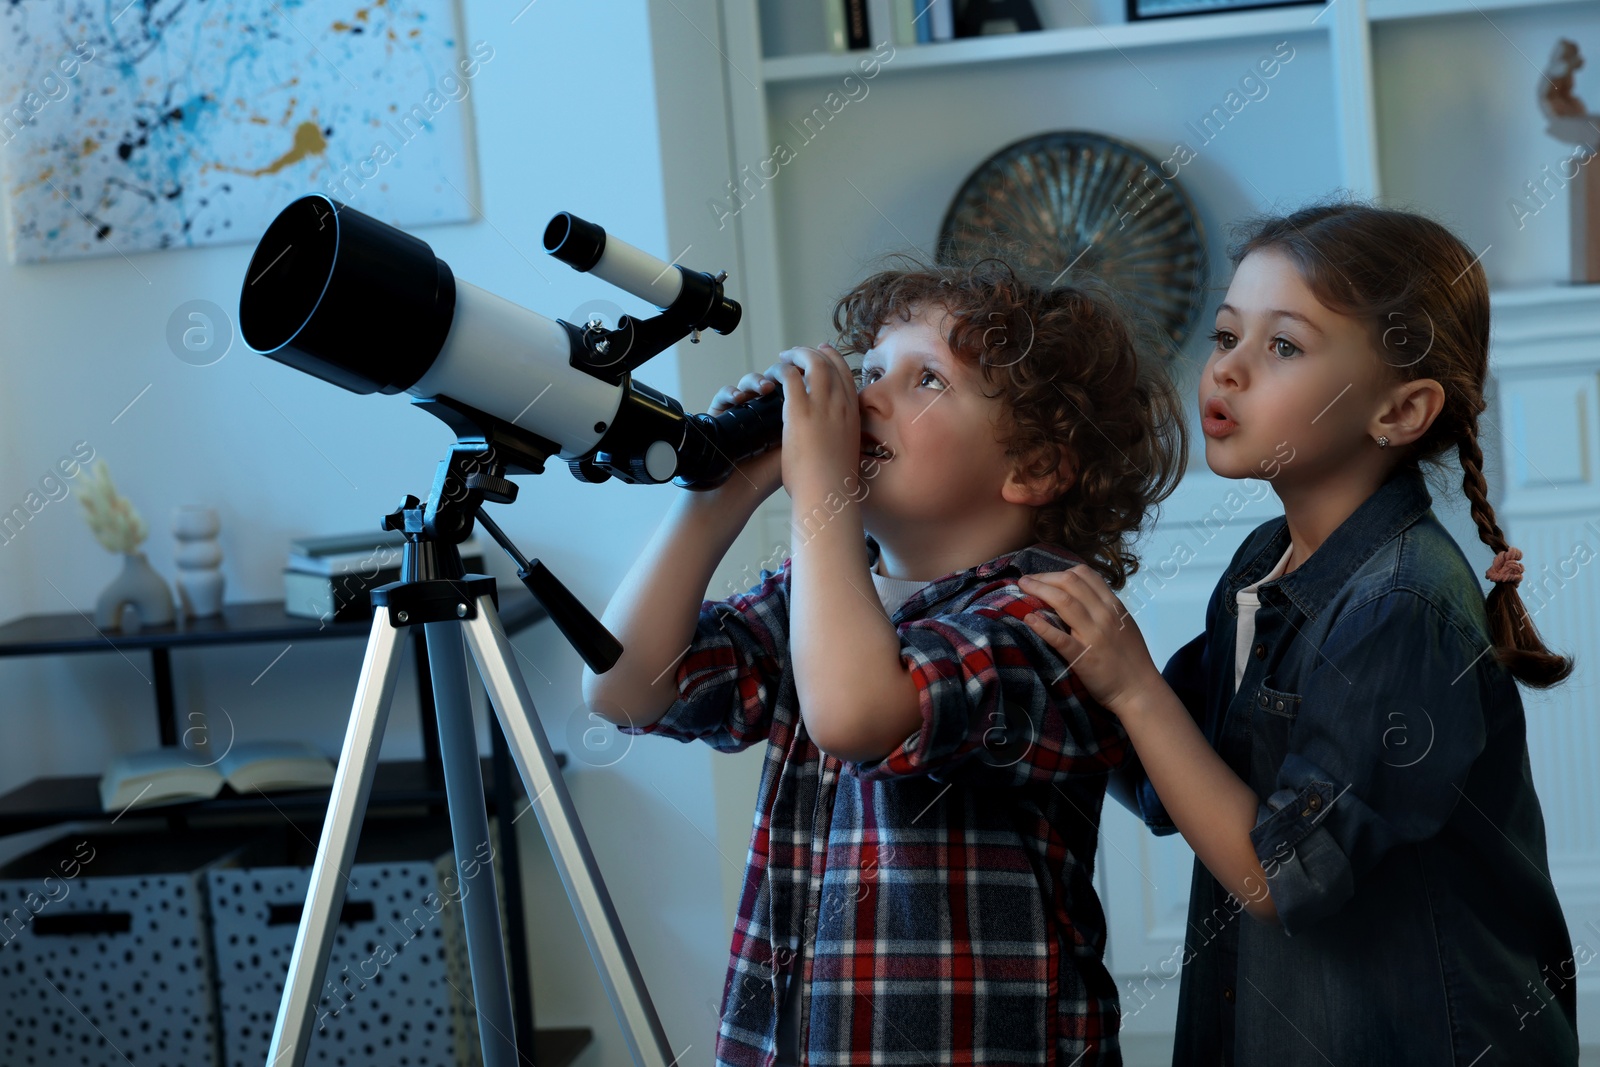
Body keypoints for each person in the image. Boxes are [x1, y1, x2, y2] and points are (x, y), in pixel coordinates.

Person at [582, 256, 1187, 1066]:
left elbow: (858, 713)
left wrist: (821, 489)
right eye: (870, 369)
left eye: (926, 380)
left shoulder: (1045, 622)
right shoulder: (824, 595)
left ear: (1034, 469)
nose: (868, 397)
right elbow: (625, 688)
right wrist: (717, 496)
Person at [1018, 201, 1580, 1066]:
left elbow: (1286, 875)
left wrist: (1131, 682)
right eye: (1225, 335)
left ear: (1400, 411)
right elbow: (1180, 778)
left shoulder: (1402, 606)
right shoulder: (1263, 561)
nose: (1227, 372)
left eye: (1282, 346)